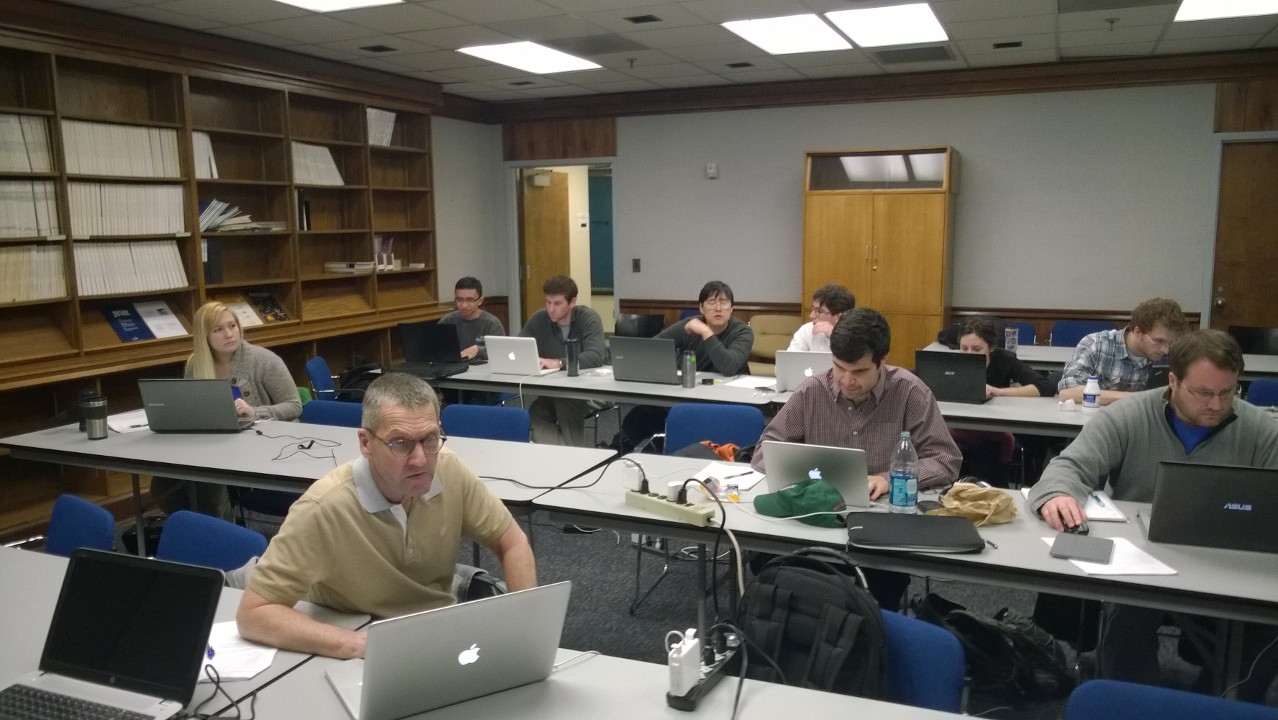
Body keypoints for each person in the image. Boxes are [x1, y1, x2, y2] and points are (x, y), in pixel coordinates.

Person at [1029, 329, 1278, 698]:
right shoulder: (1129, 416)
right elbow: (1069, 466)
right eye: (1203, 393)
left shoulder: (1260, 429)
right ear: (1173, 381)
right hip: (1143, 557)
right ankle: (1133, 700)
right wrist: (1057, 495)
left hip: (1232, 559)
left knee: (1267, 619)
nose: (1216, 404)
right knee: (1128, 609)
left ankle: (1224, 700)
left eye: (1228, 392)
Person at [236, 373, 536, 659]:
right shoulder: (324, 507)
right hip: (359, 632)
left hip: (435, 632)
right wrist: (355, 644)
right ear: (366, 443)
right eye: (400, 443)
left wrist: (524, 624)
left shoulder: (449, 470)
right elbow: (254, 613)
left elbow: (512, 542)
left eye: (430, 439)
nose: (420, 459)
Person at [750, 308, 962, 609]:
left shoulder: (910, 392)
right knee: (768, 563)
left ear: (882, 361)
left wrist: (888, 479)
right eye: (839, 367)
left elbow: (945, 459)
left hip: (879, 522)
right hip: (816, 514)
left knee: (881, 585)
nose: (847, 380)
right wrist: (794, 472)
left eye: (860, 372)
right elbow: (765, 450)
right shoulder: (813, 390)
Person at [149, 301, 301, 520]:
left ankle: (220, 528)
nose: (229, 334)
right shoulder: (195, 365)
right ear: (204, 336)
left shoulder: (264, 361)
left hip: (267, 445)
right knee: (164, 484)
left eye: (232, 326)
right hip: (218, 443)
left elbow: (294, 405)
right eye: (218, 329)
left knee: (210, 477)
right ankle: (197, 525)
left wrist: (255, 412)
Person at [618, 281, 755, 452]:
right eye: (711, 302)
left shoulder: (742, 332)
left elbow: (728, 366)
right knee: (639, 417)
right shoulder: (689, 324)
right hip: (688, 394)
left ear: (732, 308)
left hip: (728, 399)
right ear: (701, 308)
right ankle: (639, 452)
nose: (718, 308)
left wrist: (705, 332)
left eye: (724, 302)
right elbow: (652, 348)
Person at [951, 317, 1057, 484]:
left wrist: (998, 391)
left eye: (977, 349)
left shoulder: (1005, 360)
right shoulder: (949, 361)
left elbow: (1046, 387)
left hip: (994, 426)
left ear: (991, 347)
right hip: (960, 424)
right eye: (964, 349)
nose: (969, 354)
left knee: (994, 448)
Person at [519, 275, 607, 446]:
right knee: (537, 412)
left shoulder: (588, 318)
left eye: (557, 303)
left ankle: (573, 455)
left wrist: (559, 363)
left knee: (567, 401)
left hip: (593, 389)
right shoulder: (539, 319)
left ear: (572, 302)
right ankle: (565, 454)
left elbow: (595, 357)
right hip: (556, 390)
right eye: (548, 302)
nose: (551, 309)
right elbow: (519, 346)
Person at [1058, 298, 1188, 406]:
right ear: (1137, 332)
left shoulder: (1173, 353)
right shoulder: (1096, 344)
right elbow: (1067, 392)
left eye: (1171, 343)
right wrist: (1133, 398)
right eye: (1158, 341)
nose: (1165, 350)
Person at [439, 276, 505, 361]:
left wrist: (478, 350)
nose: (464, 305)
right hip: (454, 366)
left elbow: (501, 352)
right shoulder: (447, 321)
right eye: (459, 300)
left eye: (469, 300)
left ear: (480, 301)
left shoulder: (492, 323)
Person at [788, 283, 855, 352]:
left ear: (838, 317)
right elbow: (791, 357)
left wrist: (835, 336)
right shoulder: (806, 330)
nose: (811, 316)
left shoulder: (856, 335)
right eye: (813, 309)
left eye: (819, 311)